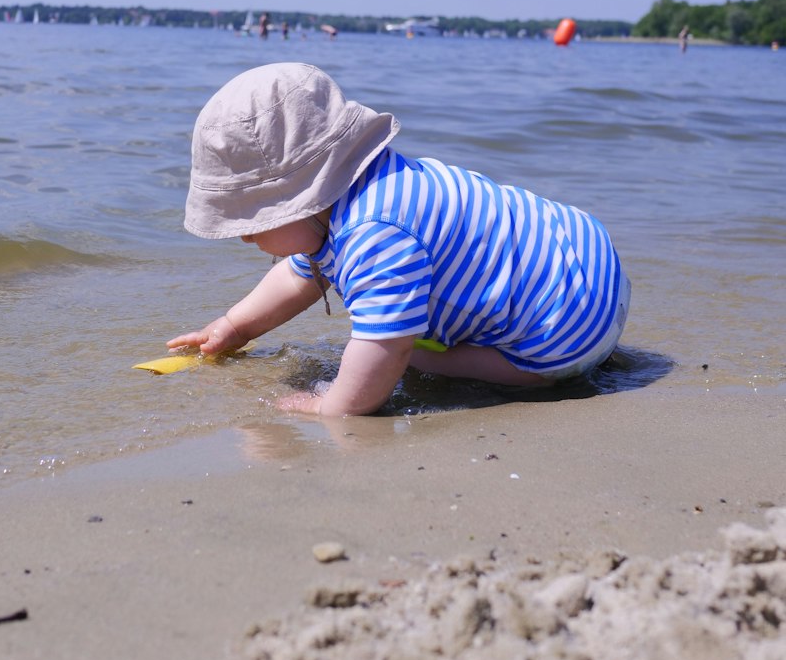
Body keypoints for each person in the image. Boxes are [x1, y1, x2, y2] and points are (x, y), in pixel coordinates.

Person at [168, 64, 631, 416]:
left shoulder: (376, 233)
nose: (245, 235)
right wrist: (235, 327)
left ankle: (546, 372)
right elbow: (301, 276)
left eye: (251, 219)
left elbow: (387, 344)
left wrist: (334, 405)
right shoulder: (368, 188)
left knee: (420, 360)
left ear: (300, 198)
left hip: (566, 331)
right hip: (584, 254)